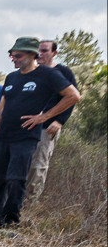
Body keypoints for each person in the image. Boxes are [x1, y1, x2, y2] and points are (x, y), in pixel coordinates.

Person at [0, 37, 80, 231]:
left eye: (18, 55)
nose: (14, 59)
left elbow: (73, 95)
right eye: (12, 55)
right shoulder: (11, 77)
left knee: (16, 178)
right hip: (4, 135)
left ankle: (11, 220)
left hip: (26, 136)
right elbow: (1, 108)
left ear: (32, 55)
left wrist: (45, 117)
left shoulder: (47, 74)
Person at [24, 38, 79, 202]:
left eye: (44, 50)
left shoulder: (63, 71)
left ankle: (29, 203)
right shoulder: (31, 72)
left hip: (47, 127)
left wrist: (60, 121)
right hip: (25, 126)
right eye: (38, 50)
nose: (40, 54)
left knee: (38, 165)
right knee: (21, 162)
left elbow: (72, 98)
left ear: (54, 53)